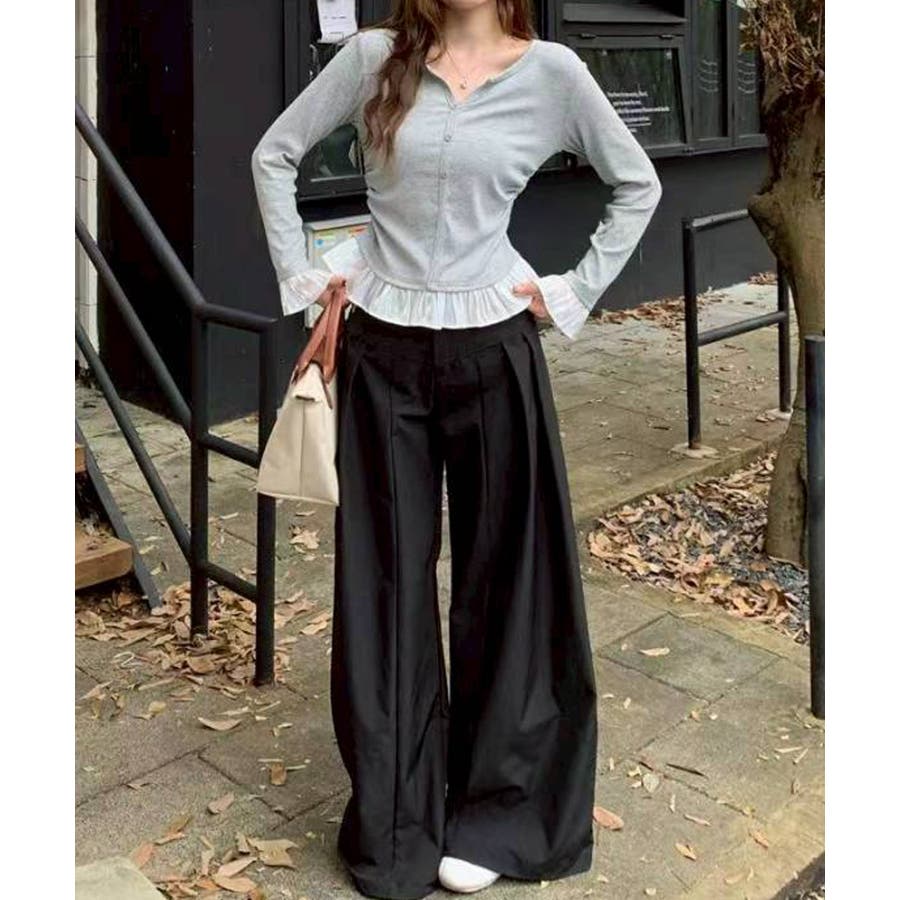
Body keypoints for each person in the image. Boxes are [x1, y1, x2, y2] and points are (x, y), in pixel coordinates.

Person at [251, 2, 662, 898]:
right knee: (386, 584)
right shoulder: (374, 57)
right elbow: (273, 154)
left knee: (508, 582)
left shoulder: (552, 74)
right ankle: (397, 823)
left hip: (494, 348)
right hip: (381, 354)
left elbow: (638, 184)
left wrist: (571, 291)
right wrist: (305, 276)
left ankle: (498, 814)